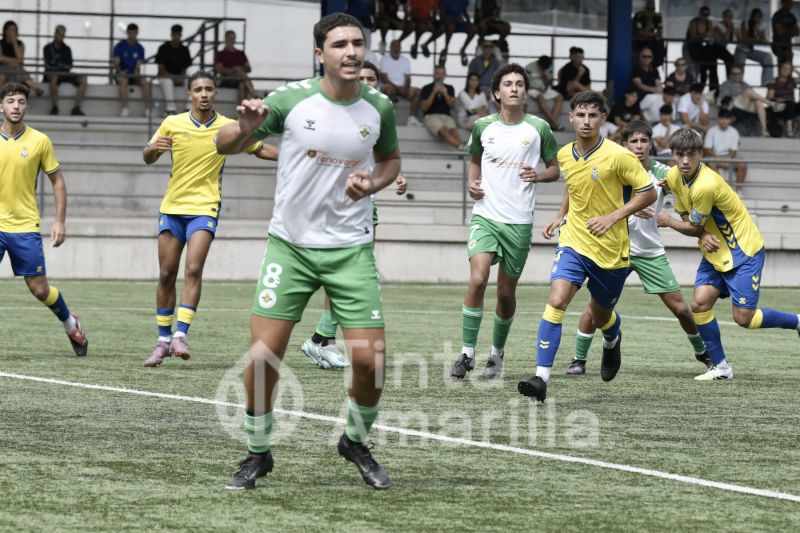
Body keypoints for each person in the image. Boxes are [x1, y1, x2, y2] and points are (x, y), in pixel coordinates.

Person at [217, 13, 401, 491]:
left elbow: (390, 161)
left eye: (358, 43)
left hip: (350, 250)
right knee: (262, 358)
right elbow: (226, 145)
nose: (351, 51)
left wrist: (374, 183)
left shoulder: (378, 107)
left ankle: (355, 441)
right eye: (339, 44)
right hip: (291, 249)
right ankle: (258, 453)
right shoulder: (289, 100)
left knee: (370, 361)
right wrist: (244, 128)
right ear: (320, 54)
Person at [517, 91, 656, 402]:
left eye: (593, 115)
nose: (586, 121)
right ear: (571, 118)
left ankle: (611, 338)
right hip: (574, 241)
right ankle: (541, 379)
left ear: (603, 119)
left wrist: (613, 216)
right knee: (557, 299)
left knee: (601, 313)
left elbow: (648, 193)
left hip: (611, 250)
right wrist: (559, 215)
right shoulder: (565, 154)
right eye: (580, 115)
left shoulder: (620, 156)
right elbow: (575, 185)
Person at [141, 71, 277, 367]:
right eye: (198, 89)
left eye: (209, 89)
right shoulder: (172, 123)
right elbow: (147, 156)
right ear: (188, 94)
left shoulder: (229, 127)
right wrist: (152, 149)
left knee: (193, 268)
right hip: (172, 207)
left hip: (205, 207)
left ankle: (180, 334)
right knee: (166, 274)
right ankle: (162, 341)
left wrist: (299, 155)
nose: (203, 94)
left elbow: (260, 148)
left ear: (215, 94)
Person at [562, 120, 709, 376]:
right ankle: (579, 359)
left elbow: (693, 187)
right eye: (633, 141)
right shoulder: (611, 167)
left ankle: (703, 353)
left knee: (681, 309)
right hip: (614, 249)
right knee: (595, 308)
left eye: (643, 141)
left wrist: (689, 225)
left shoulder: (665, 173)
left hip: (650, 251)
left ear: (650, 144)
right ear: (624, 144)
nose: (639, 146)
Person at [657, 128, 800, 381]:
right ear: (673, 156)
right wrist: (700, 234)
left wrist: (667, 222)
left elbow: (691, 225)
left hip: (744, 251)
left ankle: (797, 321)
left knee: (744, 318)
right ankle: (721, 368)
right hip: (715, 250)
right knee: (699, 305)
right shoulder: (674, 176)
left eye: (691, 154)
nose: (686, 160)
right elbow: (687, 217)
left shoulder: (706, 185)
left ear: (700, 153)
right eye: (680, 155)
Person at [450, 63, 559, 380]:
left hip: (519, 222)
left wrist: (538, 175)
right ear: (497, 93)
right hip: (486, 216)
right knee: (478, 279)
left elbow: (554, 169)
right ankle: (467, 353)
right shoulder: (483, 126)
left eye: (519, 84)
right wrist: (472, 183)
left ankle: (496, 356)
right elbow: (474, 160)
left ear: (525, 92)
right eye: (508, 84)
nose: (514, 88)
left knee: (506, 292)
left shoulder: (538, 128)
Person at [299, 61, 408, 371]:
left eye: (372, 78)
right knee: (346, 275)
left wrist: (396, 176)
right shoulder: (336, 114)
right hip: (334, 206)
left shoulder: (376, 116)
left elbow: (383, 157)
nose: (368, 83)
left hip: (363, 206)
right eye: (362, 78)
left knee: (350, 275)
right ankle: (321, 339)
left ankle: (323, 340)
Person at [0, 82, 88, 356]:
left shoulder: (40, 141)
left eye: (21, 102)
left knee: (39, 290)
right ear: (1, 106)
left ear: (27, 106)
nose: (16, 106)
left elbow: (57, 182)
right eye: (11, 101)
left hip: (25, 226)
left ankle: (70, 323)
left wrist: (60, 221)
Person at [42, 24, 87, 116]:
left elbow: (69, 65)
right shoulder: (47, 48)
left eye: (62, 35)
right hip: (52, 74)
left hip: (65, 74)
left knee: (83, 78)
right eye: (59, 34)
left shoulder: (67, 49)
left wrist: (58, 65)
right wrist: (60, 66)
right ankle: (55, 107)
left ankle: (76, 107)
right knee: (54, 77)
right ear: (55, 34)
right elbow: (48, 65)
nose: (60, 37)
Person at [419, 0, 476, 67]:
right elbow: (442, 15)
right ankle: (445, 49)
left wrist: (468, 21)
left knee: (473, 29)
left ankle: (463, 49)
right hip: (447, 21)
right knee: (449, 27)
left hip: (459, 22)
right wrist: (453, 19)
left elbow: (464, 11)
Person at [419, 65, 464, 149]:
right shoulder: (426, 88)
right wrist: (433, 92)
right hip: (431, 116)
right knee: (444, 130)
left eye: (442, 73)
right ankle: (462, 147)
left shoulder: (450, 88)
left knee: (454, 132)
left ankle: (462, 149)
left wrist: (445, 93)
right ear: (434, 75)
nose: (439, 76)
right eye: (437, 73)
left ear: (445, 75)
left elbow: (452, 105)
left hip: (446, 116)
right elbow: (424, 107)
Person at [704, 108, 747, 194]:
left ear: (730, 120)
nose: (724, 121)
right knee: (710, 163)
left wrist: (728, 161)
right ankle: (722, 189)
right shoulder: (712, 131)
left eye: (727, 119)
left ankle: (739, 191)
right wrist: (719, 160)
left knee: (742, 164)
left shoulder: (734, 132)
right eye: (722, 118)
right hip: (714, 157)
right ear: (718, 119)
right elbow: (708, 149)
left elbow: (734, 150)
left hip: (728, 157)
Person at [113, 23, 152, 118]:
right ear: (127, 33)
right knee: (123, 81)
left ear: (137, 33)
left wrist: (136, 73)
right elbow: (116, 63)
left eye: (134, 33)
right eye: (130, 33)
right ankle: (125, 108)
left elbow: (138, 64)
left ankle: (147, 109)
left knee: (145, 83)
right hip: (122, 73)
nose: (132, 36)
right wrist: (121, 71)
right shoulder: (120, 46)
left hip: (134, 74)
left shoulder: (140, 48)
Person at [378, 40, 421, 125]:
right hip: (389, 85)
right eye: (394, 46)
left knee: (418, 92)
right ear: (390, 48)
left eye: (398, 46)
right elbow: (384, 78)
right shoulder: (384, 60)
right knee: (389, 89)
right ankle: (388, 115)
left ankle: (411, 118)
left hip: (403, 87)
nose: (396, 48)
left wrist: (406, 87)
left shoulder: (405, 60)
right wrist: (398, 88)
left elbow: (408, 78)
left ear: (400, 48)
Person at [719, 66, 769, 137]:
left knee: (758, 102)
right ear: (730, 74)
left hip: (746, 106)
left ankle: (764, 129)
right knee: (748, 92)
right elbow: (725, 98)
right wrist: (742, 95)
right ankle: (770, 103)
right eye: (734, 74)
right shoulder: (726, 84)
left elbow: (754, 95)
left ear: (741, 74)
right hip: (734, 105)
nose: (736, 75)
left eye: (738, 74)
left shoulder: (745, 84)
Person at [155, 24, 192, 115]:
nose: (176, 37)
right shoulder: (163, 48)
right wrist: (173, 78)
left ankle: (189, 108)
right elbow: (161, 69)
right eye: (174, 34)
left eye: (178, 35)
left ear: (181, 36)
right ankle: (170, 109)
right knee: (168, 81)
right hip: (164, 77)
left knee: (193, 81)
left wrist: (182, 78)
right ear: (171, 35)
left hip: (178, 77)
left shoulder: (184, 50)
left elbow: (185, 68)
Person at [0, 21, 44, 95]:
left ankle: (37, 89)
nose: (13, 32)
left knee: (21, 73)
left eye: (15, 30)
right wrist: (13, 61)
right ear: (5, 31)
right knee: (3, 75)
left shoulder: (20, 43)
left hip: (16, 67)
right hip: (3, 66)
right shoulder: (1, 43)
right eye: (11, 29)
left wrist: (14, 43)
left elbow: (20, 59)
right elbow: (1, 58)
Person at [214, 30, 257, 104]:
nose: (231, 40)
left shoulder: (240, 53)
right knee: (240, 74)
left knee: (241, 84)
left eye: (233, 38)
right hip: (228, 79)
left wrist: (240, 69)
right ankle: (253, 94)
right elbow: (220, 69)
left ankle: (239, 111)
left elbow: (248, 68)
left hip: (240, 79)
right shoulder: (221, 54)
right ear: (225, 39)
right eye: (229, 38)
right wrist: (233, 70)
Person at [735, 8, 774, 87]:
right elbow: (745, 39)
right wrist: (757, 39)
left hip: (750, 50)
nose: (757, 18)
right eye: (756, 16)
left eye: (759, 17)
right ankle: (737, 85)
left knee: (767, 56)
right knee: (739, 68)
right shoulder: (745, 23)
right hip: (741, 50)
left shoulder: (760, 26)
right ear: (752, 16)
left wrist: (759, 31)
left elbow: (763, 39)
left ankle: (767, 81)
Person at [524, 55, 564, 130]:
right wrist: (536, 88)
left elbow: (548, 83)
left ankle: (553, 123)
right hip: (532, 88)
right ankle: (554, 123)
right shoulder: (529, 67)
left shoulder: (549, 67)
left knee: (560, 97)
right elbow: (524, 83)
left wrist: (544, 75)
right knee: (540, 97)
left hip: (544, 88)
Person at [686, 6, 720, 91]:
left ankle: (710, 88)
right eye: (704, 14)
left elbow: (711, 37)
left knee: (711, 64)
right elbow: (693, 37)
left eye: (707, 14)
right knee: (695, 69)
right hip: (692, 48)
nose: (705, 16)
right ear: (700, 14)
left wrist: (713, 34)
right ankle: (696, 88)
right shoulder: (694, 22)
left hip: (703, 50)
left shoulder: (709, 23)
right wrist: (705, 35)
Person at [766, 61, 798, 137]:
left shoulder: (792, 81)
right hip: (779, 106)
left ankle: (789, 127)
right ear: (780, 69)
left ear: (790, 71)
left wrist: (795, 69)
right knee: (789, 103)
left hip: (790, 106)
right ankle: (789, 129)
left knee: (790, 103)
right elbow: (769, 97)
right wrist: (778, 99)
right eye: (784, 68)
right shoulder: (774, 81)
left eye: (788, 69)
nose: (785, 70)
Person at [632, 0, 666, 67]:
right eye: (648, 9)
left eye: (653, 9)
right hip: (640, 43)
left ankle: (654, 67)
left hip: (652, 42)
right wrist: (650, 20)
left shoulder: (657, 16)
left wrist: (649, 34)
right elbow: (641, 33)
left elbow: (660, 33)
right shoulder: (638, 16)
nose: (651, 11)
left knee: (659, 44)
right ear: (645, 7)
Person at [772, 0, 799, 65]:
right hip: (778, 44)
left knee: (789, 65)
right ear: (783, 3)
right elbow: (780, 31)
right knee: (782, 67)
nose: (790, 5)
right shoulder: (777, 15)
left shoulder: (792, 16)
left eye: (791, 3)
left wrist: (785, 28)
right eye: (788, 3)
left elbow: (797, 32)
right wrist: (791, 29)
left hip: (788, 45)